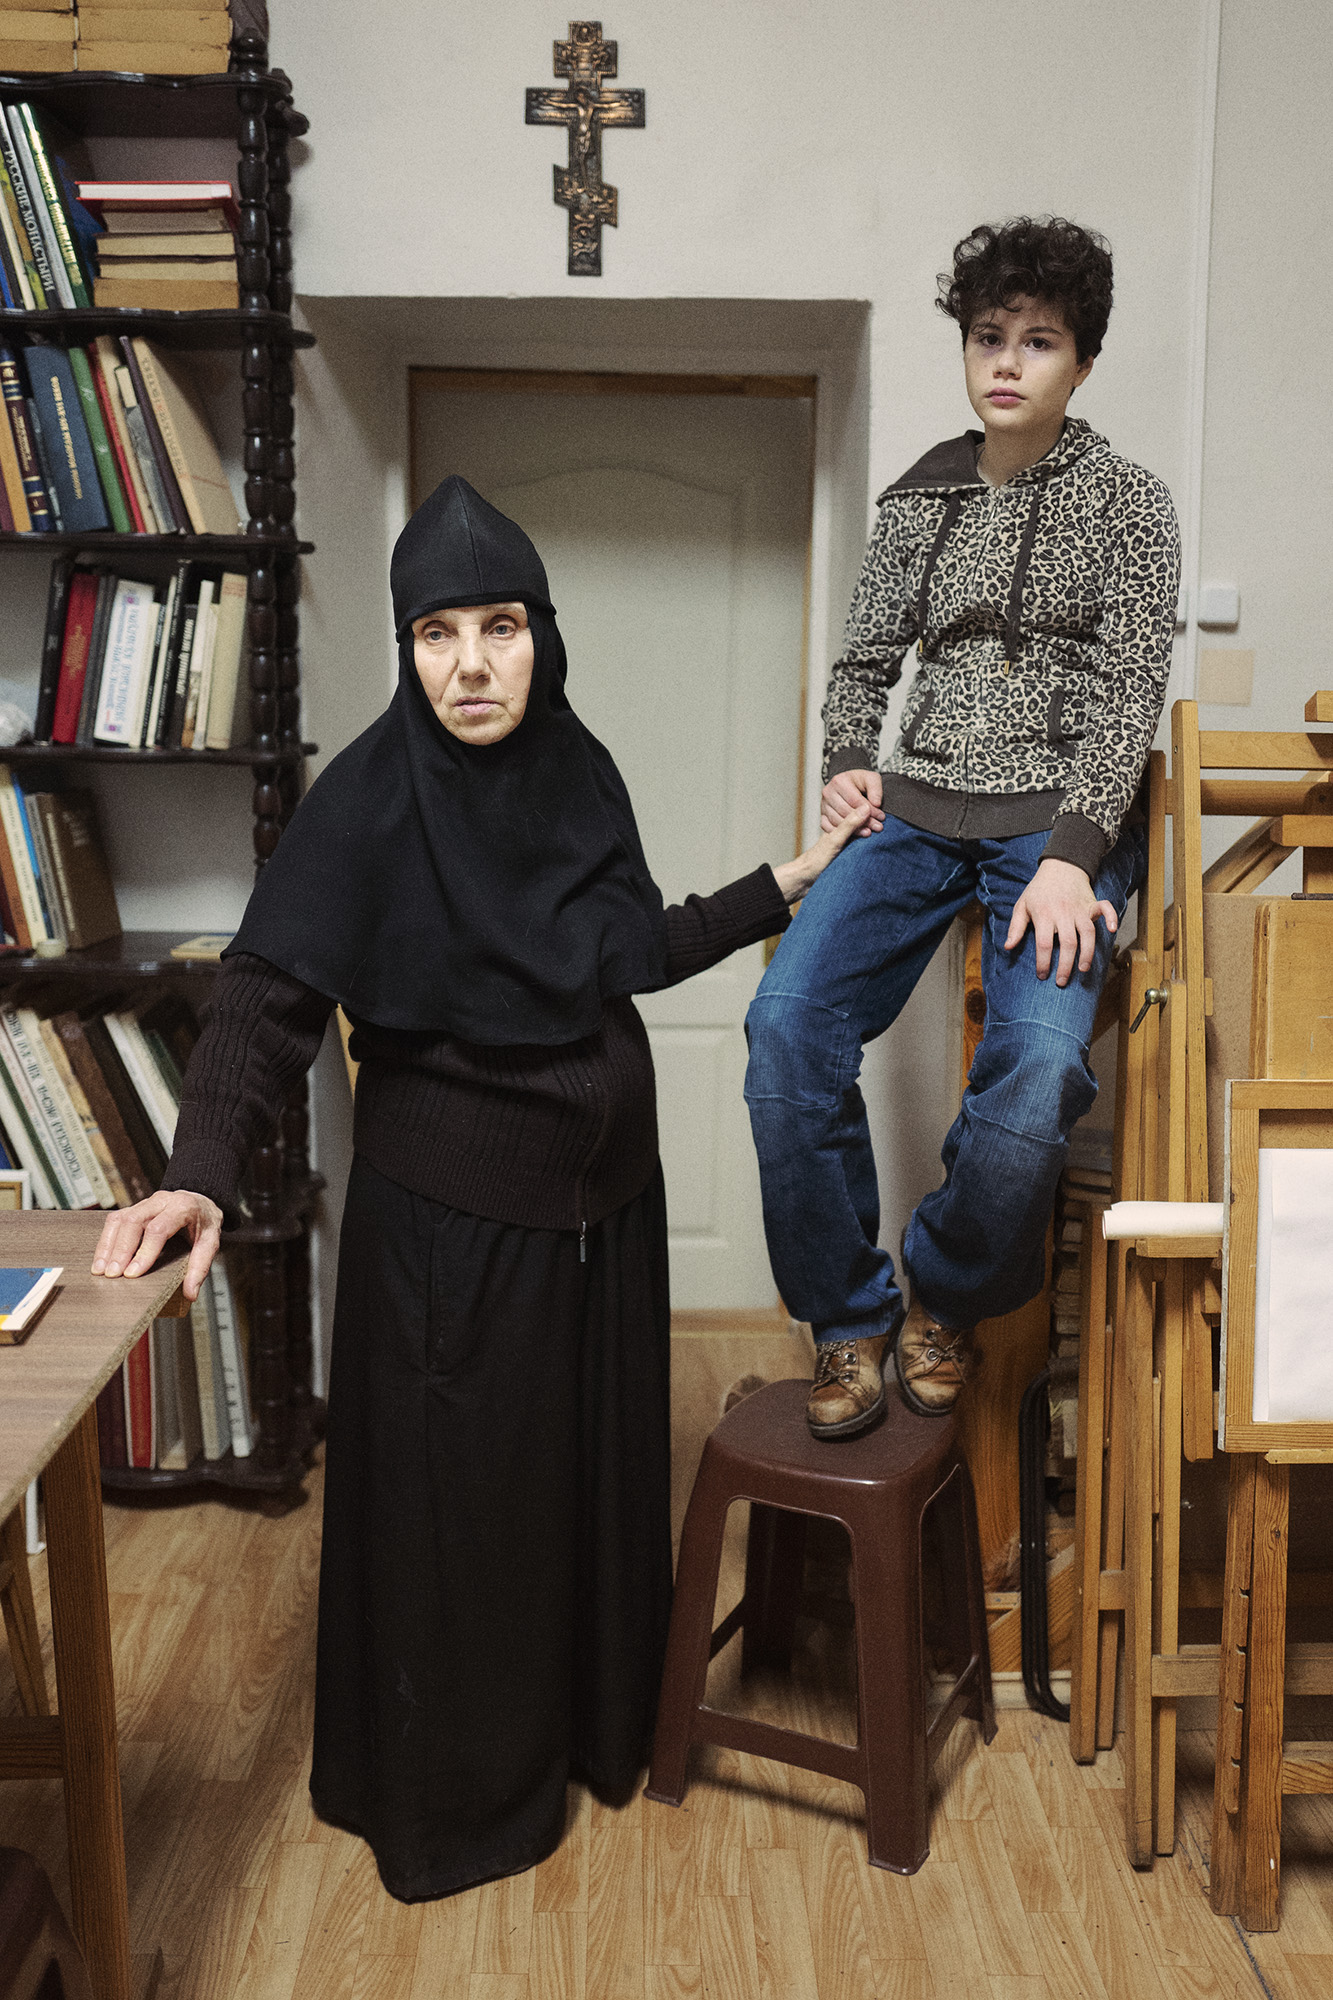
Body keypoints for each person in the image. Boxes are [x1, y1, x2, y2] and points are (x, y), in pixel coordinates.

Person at [90, 475, 866, 1901]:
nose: (469, 664)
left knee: (581, 1501)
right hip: (451, 1238)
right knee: (464, 1535)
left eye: (499, 628)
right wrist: (198, 1172)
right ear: (406, 649)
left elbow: (624, 950)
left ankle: (588, 1738)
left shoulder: (581, 771)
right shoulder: (368, 801)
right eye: (436, 633)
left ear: (540, 637)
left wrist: (786, 883)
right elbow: (265, 1001)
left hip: (607, 1226)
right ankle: (457, 1808)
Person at [744, 215, 1181, 1439]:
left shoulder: (1130, 506)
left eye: (1037, 341)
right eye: (989, 336)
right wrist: (844, 767)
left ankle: (943, 1289)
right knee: (784, 1024)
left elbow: (1124, 698)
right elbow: (863, 665)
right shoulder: (918, 497)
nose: (1006, 361)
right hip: (919, 813)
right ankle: (846, 1317)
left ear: (1079, 362)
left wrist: (1070, 857)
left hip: (1054, 822)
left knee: (1039, 1066)